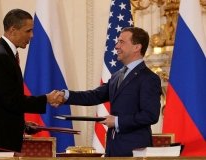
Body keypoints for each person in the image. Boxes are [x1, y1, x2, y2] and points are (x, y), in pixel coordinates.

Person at [53, 27, 162, 157]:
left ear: (137, 47)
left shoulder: (149, 78)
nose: (116, 46)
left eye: (121, 42)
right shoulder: (117, 76)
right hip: (113, 148)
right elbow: (94, 96)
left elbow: (150, 115)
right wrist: (65, 95)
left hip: (135, 150)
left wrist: (117, 121)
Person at [0, 9, 57, 156]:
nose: (32, 35)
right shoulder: (0, 56)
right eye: (28, 31)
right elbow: (11, 100)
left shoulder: (5, 53)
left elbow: (2, 102)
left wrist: (21, 124)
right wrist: (46, 99)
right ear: (13, 30)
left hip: (0, 138)